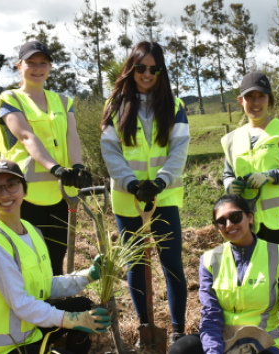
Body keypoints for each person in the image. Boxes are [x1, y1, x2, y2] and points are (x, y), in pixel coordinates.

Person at [0, 160, 111, 354]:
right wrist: (70, 320)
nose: (5, 194)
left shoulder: (31, 232)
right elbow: (21, 304)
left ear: (24, 190)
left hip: (26, 332)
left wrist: (88, 275)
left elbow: (45, 286)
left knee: (82, 306)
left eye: (12, 185)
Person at [100, 41, 189, 343]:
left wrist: (161, 182)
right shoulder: (115, 106)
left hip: (165, 196)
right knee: (136, 263)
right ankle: (144, 328)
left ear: (161, 71)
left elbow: (179, 151)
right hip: (127, 198)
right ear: (132, 68)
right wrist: (132, 184)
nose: (147, 73)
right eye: (141, 67)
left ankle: (177, 331)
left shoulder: (175, 107)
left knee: (172, 263)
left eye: (154, 68)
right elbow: (111, 151)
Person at [0, 41, 92, 275]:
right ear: (19, 66)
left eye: (43, 63)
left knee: (56, 256)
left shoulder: (64, 101)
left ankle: (54, 308)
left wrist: (77, 167)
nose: (37, 68)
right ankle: (30, 309)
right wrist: (55, 168)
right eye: (31, 63)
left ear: (50, 67)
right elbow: (26, 136)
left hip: (60, 194)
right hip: (23, 194)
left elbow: (71, 136)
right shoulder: (11, 99)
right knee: (28, 260)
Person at [168, 194, 279, 354]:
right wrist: (214, 352)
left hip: (264, 343)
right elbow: (211, 316)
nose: (229, 224)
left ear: (250, 217)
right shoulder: (210, 260)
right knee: (180, 349)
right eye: (221, 221)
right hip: (224, 338)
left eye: (235, 216)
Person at [221, 72, 279, 252]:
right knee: (253, 277)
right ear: (241, 100)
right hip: (245, 223)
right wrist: (230, 185)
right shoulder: (231, 139)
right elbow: (228, 173)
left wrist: (269, 177)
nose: (256, 102)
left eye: (262, 96)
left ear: (270, 99)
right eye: (250, 97)